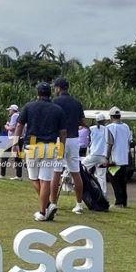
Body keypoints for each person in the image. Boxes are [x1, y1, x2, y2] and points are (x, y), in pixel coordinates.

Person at [14, 82, 67, 221]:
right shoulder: (58, 109)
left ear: (38, 93)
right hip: (50, 146)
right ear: (50, 93)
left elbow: (19, 126)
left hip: (32, 145)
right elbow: (63, 132)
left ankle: (45, 209)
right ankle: (46, 208)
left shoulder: (29, 106)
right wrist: (61, 148)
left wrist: (15, 143)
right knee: (45, 180)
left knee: (34, 178)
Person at [50, 77, 87, 215]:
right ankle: (79, 204)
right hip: (74, 139)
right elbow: (82, 121)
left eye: (55, 87)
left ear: (58, 88)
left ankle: (53, 204)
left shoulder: (55, 102)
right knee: (76, 172)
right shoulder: (77, 103)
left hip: (60, 140)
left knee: (56, 172)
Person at [105, 107, 133, 208]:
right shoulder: (126, 126)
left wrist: (107, 157)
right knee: (122, 181)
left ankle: (119, 202)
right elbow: (129, 141)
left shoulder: (110, 127)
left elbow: (110, 143)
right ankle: (124, 201)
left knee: (114, 180)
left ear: (111, 117)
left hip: (114, 160)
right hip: (124, 158)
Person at [82, 112, 111, 196]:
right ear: (104, 121)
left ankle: (81, 185)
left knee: (81, 167)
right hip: (103, 156)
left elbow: (89, 140)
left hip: (93, 154)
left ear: (96, 121)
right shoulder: (107, 129)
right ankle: (103, 194)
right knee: (101, 176)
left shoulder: (92, 128)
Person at [0, 104, 22, 180]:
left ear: (13, 110)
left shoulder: (14, 116)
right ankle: (18, 176)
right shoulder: (20, 115)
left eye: (10, 110)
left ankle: (2, 174)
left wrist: (6, 126)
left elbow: (12, 128)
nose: (9, 111)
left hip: (13, 138)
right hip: (20, 138)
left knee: (5, 156)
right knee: (18, 158)